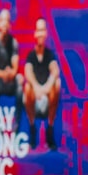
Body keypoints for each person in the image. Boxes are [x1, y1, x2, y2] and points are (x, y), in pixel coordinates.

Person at [23, 17, 61, 151]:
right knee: (27, 87)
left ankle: (50, 128)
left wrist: (45, 89)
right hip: (34, 98)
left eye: (43, 30)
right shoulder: (31, 55)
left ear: (46, 33)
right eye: (38, 30)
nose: (40, 33)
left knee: (57, 84)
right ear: (34, 33)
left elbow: (55, 70)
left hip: (47, 96)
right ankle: (32, 128)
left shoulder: (50, 55)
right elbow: (27, 72)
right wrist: (37, 88)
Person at [0, 9, 23, 114]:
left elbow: (15, 67)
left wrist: (10, 74)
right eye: (2, 20)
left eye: (7, 21)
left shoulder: (14, 43)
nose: (5, 24)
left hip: (10, 80)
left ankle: (17, 124)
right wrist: (3, 74)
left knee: (20, 82)